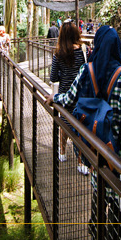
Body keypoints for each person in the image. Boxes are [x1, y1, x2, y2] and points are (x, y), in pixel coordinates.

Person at [46, 25, 121, 239]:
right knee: (118, 212)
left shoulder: (88, 70)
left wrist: (54, 99)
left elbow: (68, 99)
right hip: (119, 157)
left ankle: (95, 236)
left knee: (98, 199)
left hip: (95, 147)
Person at [48, 20, 88, 166]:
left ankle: (63, 152)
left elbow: (53, 78)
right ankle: (80, 162)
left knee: (65, 124)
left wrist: (63, 73)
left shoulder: (58, 54)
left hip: (64, 94)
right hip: (80, 95)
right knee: (80, 126)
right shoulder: (83, 51)